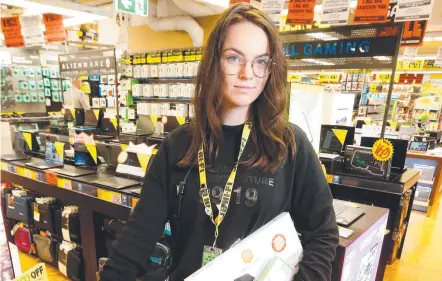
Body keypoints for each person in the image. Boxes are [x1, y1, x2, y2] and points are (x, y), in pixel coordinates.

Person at [100, 4, 339, 281]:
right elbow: (137, 239)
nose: (247, 74)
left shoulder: (289, 145)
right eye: (234, 58)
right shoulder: (178, 146)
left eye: (260, 61)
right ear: (214, 61)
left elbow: (323, 233)